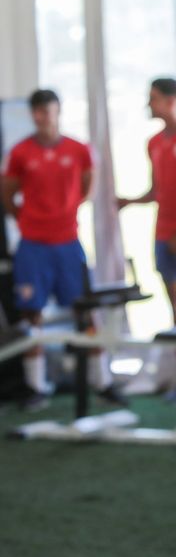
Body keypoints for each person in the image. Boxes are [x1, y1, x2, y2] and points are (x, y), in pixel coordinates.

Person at [1, 89, 121, 409]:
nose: (42, 118)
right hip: (33, 247)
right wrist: (29, 220)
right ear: (32, 114)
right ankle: (36, 386)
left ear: (58, 112)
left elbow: (87, 188)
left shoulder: (79, 149)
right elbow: (7, 193)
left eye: (47, 111)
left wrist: (62, 215)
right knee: (32, 315)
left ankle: (103, 381)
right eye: (37, 112)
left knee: (85, 310)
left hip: (68, 243)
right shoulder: (21, 152)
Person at [117, 77, 176, 405]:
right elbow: (156, 190)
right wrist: (129, 202)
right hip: (163, 235)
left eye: (154, 98)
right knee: (175, 311)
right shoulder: (154, 142)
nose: (149, 104)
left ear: (172, 100)